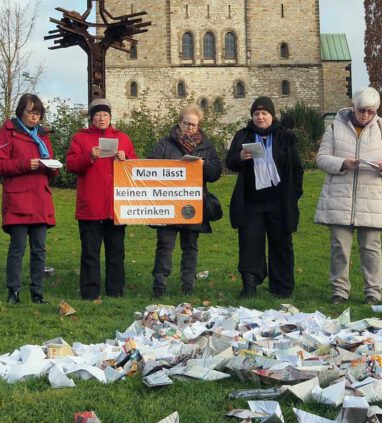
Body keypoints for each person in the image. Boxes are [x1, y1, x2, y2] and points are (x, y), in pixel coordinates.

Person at [314, 87, 382, 305]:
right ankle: (339, 292)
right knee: (339, 248)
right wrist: (343, 163)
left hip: (372, 197)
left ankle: (373, 292)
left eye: (371, 111)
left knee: (371, 247)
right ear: (353, 107)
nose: (366, 115)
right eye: (362, 110)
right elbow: (322, 158)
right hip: (340, 197)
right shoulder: (335, 126)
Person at [225, 96, 303, 298]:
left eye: (264, 113)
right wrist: (240, 158)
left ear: (272, 115)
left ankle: (282, 287)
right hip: (251, 201)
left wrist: (294, 194)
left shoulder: (285, 136)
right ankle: (250, 285)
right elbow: (230, 162)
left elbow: (296, 168)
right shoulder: (243, 136)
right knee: (250, 243)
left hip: (279, 202)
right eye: (256, 114)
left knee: (281, 244)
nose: (260, 117)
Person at [147, 104, 222, 297]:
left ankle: (188, 285)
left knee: (190, 246)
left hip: (193, 204)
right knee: (165, 245)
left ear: (199, 126)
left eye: (194, 125)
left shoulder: (206, 146)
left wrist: (203, 165)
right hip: (167, 204)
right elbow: (150, 166)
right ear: (179, 123)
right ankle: (159, 285)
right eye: (186, 123)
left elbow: (216, 173)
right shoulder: (164, 144)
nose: (190, 128)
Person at [66, 98, 136, 299]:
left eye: (105, 115)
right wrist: (89, 156)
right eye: (97, 115)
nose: (102, 118)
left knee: (116, 251)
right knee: (90, 252)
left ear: (111, 117)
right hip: (90, 205)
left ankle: (115, 291)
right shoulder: (80, 138)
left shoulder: (123, 138)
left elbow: (135, 167)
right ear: (91, 118)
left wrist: (126, 160)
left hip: (116, 204)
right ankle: (90, 292)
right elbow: (71, 165)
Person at [0, 93, 57, 305]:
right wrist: (24, 164)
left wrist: (53, 167)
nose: (34, 117)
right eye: (31, 112)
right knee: (17, 248)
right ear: (21, 111)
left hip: (40, 198)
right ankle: (14, 292)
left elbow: (52, 169)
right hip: (18, 199)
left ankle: (37, 293)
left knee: (39, 250)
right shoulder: (7, 132)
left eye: (38, 113)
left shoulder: (43, 135)